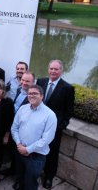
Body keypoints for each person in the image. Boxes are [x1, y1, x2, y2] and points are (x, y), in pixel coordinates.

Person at [36, 60, 75, 189]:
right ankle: (35, 172)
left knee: (52, 153)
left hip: (54, 129)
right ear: (48, 69)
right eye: (51, 69)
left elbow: (69, 111)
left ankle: (48, 177)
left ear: (61, 71)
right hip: (38, 126)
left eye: (56, 69)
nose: (53, 71)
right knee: (36, 149)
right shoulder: (40, 82)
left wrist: (61, 126)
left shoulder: (67, 88)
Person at [11, 85, 57, 190]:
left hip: (36, 157)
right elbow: (14, 128)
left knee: (31, 183)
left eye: (35, 93)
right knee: (20, 178)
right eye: (30, 93)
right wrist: (19, 144)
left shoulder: (50, 115)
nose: (31, 95)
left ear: (42, 96)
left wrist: (28, 149)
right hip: (20, 151)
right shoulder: (23, 109)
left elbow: (47, 139)